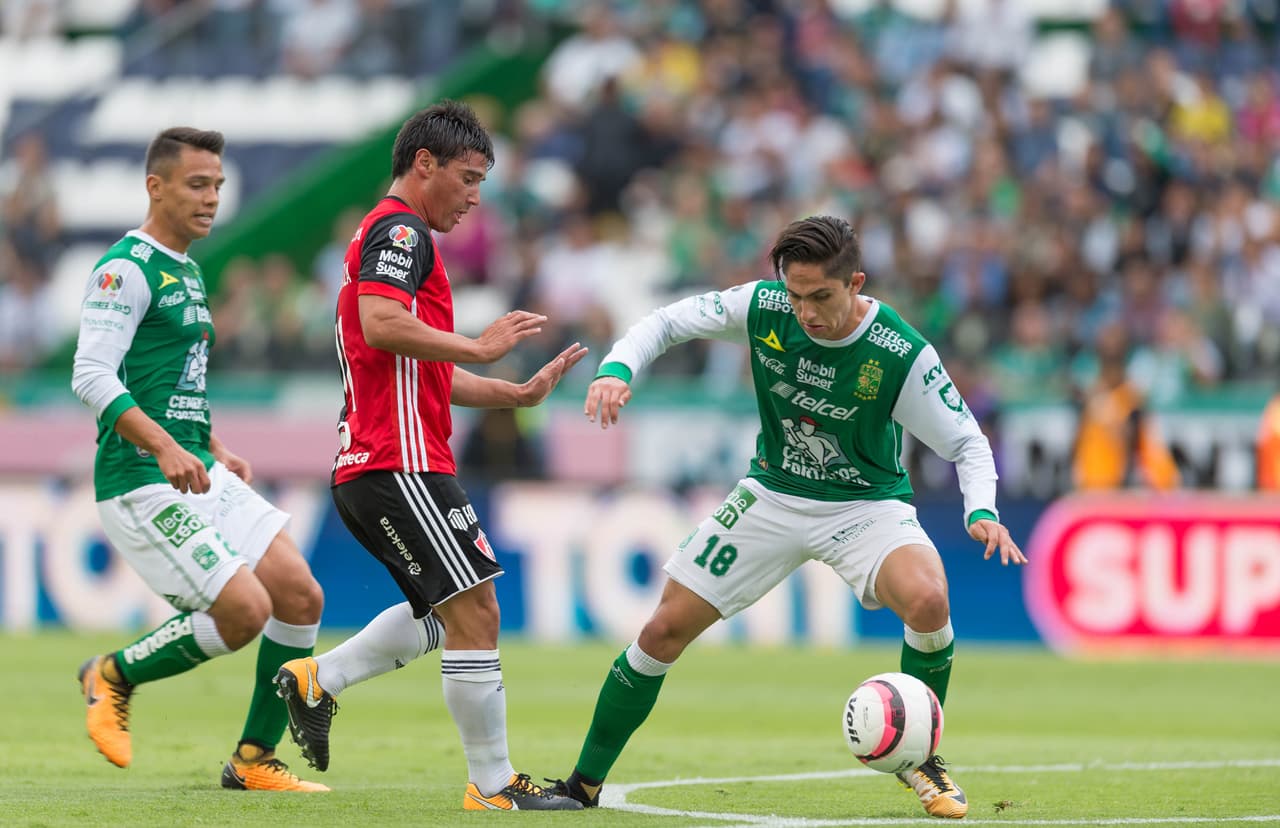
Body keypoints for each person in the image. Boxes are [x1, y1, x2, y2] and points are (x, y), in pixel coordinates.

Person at [547, 215, 1026, 820]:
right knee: (662, 631)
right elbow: (667, 322)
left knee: (929, 600)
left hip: (865, 504)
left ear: (855, 282)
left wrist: (980, 509)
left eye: (821, 296)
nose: (806, 312)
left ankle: (922, 759)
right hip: (771, 495)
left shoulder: (899, 353)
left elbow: (966, 442)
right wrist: (618, 368)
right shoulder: (763, 306)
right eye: (795, 296)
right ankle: (581, 786)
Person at [272, 100, 587, 812]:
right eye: (468, 178)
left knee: (447, 612)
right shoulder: (401, 231)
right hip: (398, 463)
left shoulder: (392, 235)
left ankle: (320, 680)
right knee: (478, 612)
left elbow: (422, 368)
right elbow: (381, 325)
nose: (476, 198)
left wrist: (513, 392)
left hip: (386, 461)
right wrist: (478, 343)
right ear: (424, 165)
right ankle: (495, 783)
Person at [70, 127, 328, 792]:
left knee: (299, 596)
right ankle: (112, 674)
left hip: (194, 467)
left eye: (217, 185)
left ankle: (253, 760)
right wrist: (164, 445)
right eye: (196, 185)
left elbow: (171, 383)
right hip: (140, 479)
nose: (212, 198)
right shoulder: (124, 268)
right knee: (242, 613)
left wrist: (210, 443)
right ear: (155, 186)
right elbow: (92, 375)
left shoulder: (187, 267)